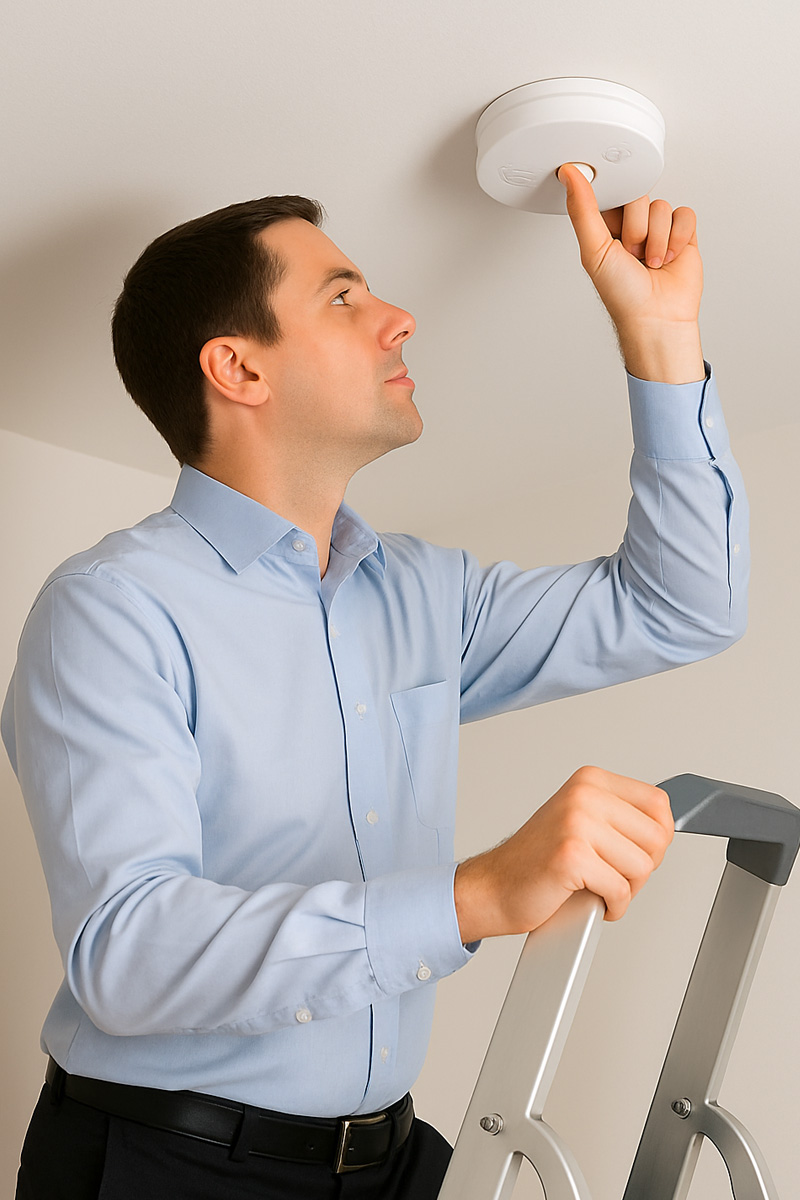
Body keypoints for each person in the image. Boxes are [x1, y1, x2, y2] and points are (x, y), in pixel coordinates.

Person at [2, 162, 748, 1199]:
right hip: (165, 1166)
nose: (399, 319)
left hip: (390, 1161)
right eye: (344, 297)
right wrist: (477, 895)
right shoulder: (110, 609)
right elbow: (128, 956)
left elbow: (682, 606)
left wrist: (660, 339)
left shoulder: (425, 595)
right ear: (238, 368)